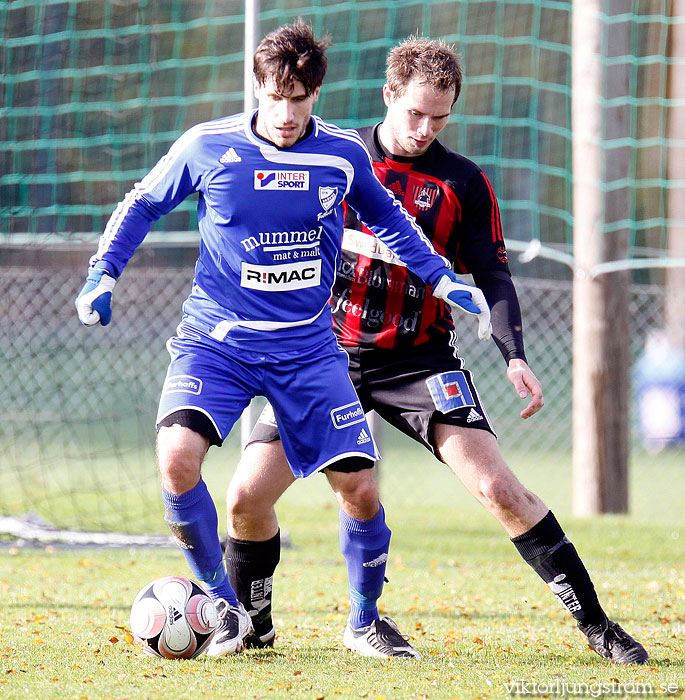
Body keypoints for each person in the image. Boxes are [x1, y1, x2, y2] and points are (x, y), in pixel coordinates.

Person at [224, 37, 649, 664]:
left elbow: (494, 274)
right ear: (389, 96)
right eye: (415, 114)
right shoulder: (328, 158)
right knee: (245, 498)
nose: (425, 130)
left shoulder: (462, 182)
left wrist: (514, 353)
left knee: (501, 490)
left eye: (440, 118)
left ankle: (599, 627)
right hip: (322, 358)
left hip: (418, 359)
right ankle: (253, 624)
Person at [75, 23, 490, 658]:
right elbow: (141, 205)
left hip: (307, 349)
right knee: (176, 458)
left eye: (300, 98)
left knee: (361, 488)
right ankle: (224, 607)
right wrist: (103, 273)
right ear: (258, 88)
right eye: (276, 96)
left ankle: (363, 621)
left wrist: (442, 279)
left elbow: (391, 220)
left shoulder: (341, 155)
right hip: (216, 340)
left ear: (316, 94)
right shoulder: (208, 146)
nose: (287, 112)